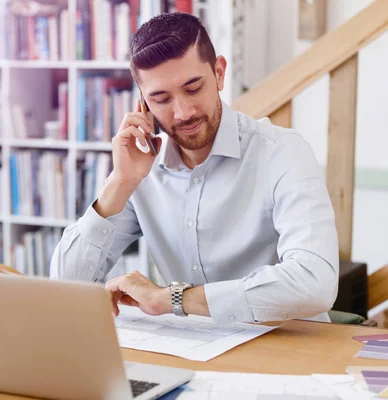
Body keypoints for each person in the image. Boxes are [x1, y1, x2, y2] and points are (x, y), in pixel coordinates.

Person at [50, 12, 338, 324]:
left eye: (193, 88)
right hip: (193, 352)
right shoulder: (139, 170)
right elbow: (66, 286)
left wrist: (173, 299)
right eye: (160, 98)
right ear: (143, 105)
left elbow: (315, 282)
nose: (183, 112)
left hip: (285, 351)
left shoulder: (282, 153)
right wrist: (119, 183)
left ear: (219, 73)